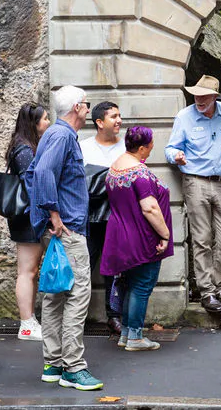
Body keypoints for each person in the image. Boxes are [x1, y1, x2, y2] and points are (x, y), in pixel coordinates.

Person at [26, 85, 103, 391]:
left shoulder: (53, 134)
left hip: (59, 228)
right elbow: (43, 172)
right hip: (67, 229)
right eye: (86, 104)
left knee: (56, 295)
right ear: (77, 108)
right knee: (76, 295)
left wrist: (47, 216)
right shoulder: (62, 136)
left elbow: (33, 173)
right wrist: (54, 215)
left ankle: (53, 364)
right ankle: (73, 368)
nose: (89, 110)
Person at [165, 75, 221, 314]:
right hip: (195, 181)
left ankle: (218, 286)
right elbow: (170, 147)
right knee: (202, 238)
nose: (199, 100)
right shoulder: (184, 116)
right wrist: (176, 156)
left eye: (204, 96)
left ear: (214, 97)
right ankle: (207, 292)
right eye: (196, 96)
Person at [100, 126, 174, 352]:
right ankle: (135, 337)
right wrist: (165, 234)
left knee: (130, 285)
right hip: (141, 237)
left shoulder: (115, 167)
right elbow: (149, 207)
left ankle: (125, 334)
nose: (151, 150)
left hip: (120, 235)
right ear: (141, 148)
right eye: (150, 146)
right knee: (142, 285)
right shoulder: (139, 174)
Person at [5, 102, 51, 342]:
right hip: (26, 217)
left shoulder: (25, 146)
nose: (48, 123)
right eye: (45, 119)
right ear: (34, 123)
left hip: (28, 216)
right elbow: (30, 184)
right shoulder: (24, 149)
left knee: (31, 271)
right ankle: (26, 324)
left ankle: (30, 320)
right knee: (27, 271)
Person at [79, 101, 125, 334]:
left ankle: (114, 315)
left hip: (119, 216)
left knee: (116, 269)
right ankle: (76, 316)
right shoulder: (83, 147)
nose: (119, 120)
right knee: (83, 266)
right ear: (99, 122)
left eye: (119, 116)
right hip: (91, 217)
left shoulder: (126, 146)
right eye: (113, 117)